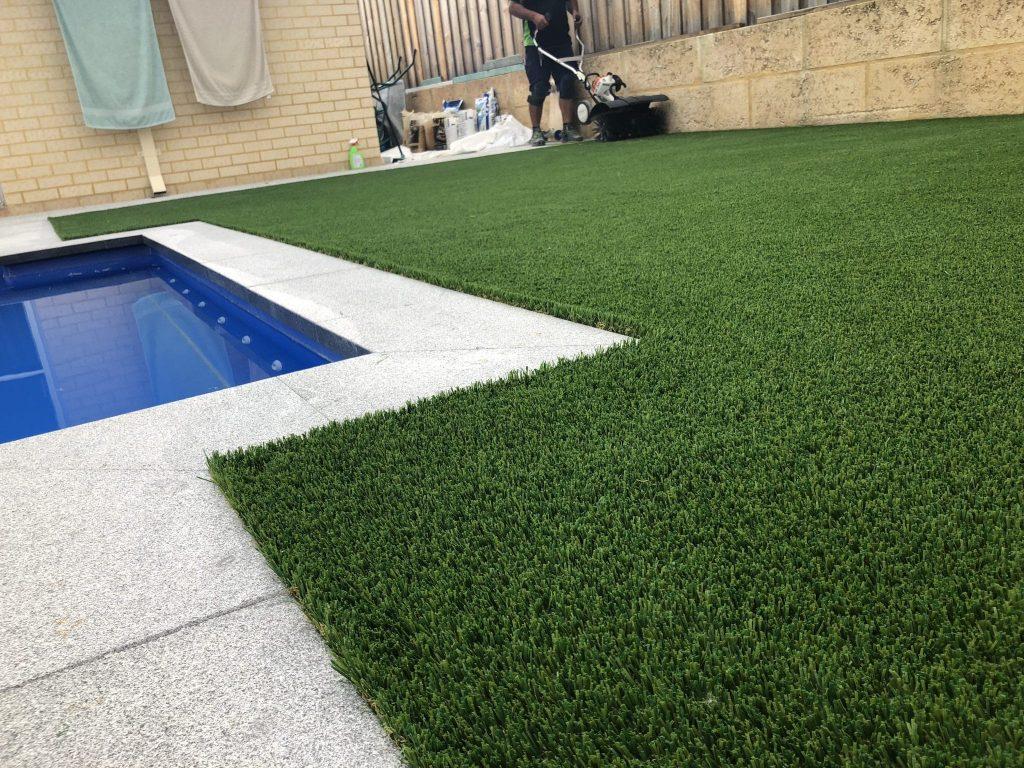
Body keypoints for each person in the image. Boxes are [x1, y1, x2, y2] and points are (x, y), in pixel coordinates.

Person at [508, 0, 584, 145]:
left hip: (561, 40)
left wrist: (574, 11)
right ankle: (536, 131)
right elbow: (513, 8)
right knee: (539, 87)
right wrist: (533, 16)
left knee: (567, 80)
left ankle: (568, 128)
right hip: (535, 43)